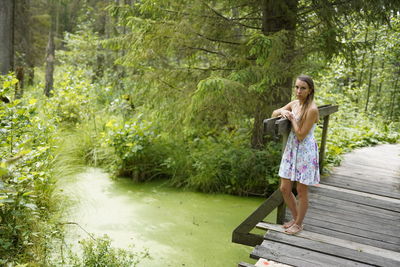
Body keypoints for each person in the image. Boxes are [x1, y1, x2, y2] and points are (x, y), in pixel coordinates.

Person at [271, 74, 320, 235]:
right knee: (284, 188)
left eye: (303, 88)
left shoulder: (312, 109)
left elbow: (300, 135)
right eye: (297, 87)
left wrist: (291, 118)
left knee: (301, 190)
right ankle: (295, 218)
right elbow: (273, 113)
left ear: (310, 90)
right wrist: (282, 112)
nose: (298, 91)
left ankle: (298, 224)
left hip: (305, 151)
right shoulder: (295, 103)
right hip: (292, 150)